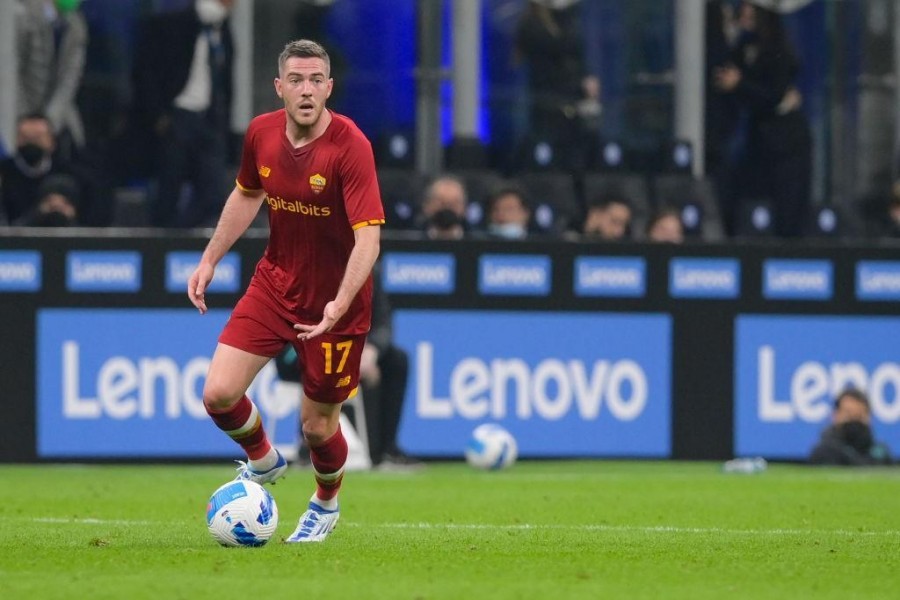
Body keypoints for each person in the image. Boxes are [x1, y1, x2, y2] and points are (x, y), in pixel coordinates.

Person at [187, 39, 384, 543]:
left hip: (335, 305)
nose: (306, 90)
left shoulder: (350, 146)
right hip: (274, 284)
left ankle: (325, 503)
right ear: (279, 87)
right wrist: (210, 258)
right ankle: (263, 459)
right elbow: (247, 193)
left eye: (316, 80)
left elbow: (369, 236)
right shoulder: (261, 133)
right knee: (218, 394)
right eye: (296, 80)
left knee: (317, 428)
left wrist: (340, 302)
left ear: (329, 88)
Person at [277, 262, 421, 469]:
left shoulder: (367, 268)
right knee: (321, 360)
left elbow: (382, 321)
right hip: (298, 347)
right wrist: (352, 355)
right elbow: (297, 321)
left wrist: (372, 350)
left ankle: (385, 450)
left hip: (352, 349)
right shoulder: (307, 264)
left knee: (397, 360)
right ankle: (309, 446)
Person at [713, 0, 812, 238]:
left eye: (751, 7)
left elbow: (773, 94)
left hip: (786, 143)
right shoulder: (746, 45)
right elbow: (727, 69)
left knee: (787, 210)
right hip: (758, 140)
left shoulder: (778, 47)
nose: (745, 12)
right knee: (745, 204)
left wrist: (740, 85)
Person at [133, 0, 235, 227]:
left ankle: (191, 239)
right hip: (177, 116)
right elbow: (146, 72)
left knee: (213, 192)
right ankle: (163, 245)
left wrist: (222, 121)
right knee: (169, 187)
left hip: (209, 119)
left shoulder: (223, 31)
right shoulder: (172, 24)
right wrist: (158, 116)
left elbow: (226, 82)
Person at [514, 0, 601, 171]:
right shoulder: (532, 24)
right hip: (547, 101)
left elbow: (577, 54)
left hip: (574, 102)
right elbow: (554, 49)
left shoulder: (570, 20)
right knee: (548, 152)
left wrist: (587, 80)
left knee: (577, 150)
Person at [16, 0, 89, 161]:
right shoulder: (18, 15)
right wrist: (22, 122)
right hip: (14, 118)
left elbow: (70, 81)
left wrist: (48, 123)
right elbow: (9, 74)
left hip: (55, 122)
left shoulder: (76, 25)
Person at [0, 113, 78, 224]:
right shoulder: (4, 171)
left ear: (51, 141)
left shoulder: (67, 173)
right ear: (17, 140)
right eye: (26, 138)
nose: (31, 143)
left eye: (37, 138)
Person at [809, 389, 892, 466]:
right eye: (848, 415)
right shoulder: (824, 453)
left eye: (859, 416)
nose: (854, 421)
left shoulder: (880, 454)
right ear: (835, 416)